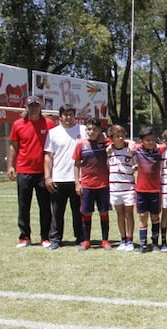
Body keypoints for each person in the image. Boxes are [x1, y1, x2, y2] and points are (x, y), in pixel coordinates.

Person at [8, 95, 55, 248]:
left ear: (41, 107)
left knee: (45, 206)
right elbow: (13, 147)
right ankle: (24, 237)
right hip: (24, 170)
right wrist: (11, 165)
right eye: (31, 105)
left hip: (43, 172)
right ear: (25, 107)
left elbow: (55, 145)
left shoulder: (48, 123)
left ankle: (45, 237)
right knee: (23, 206)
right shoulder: (18, 124)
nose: (34, 108)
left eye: (36, 105)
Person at [43, 103, 85, 250]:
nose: (68, 117)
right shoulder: (53, 132)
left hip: (78, 179)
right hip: (59, 178)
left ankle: (80, 237)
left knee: (78, 211)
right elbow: (48, 156)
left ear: (75, 115)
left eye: (71, 114)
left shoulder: (84, 130)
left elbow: (103, 139)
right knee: (57, 212)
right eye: (65, 114)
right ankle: (55, 239)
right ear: (60, 116)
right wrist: (47, 177)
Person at [73, 118, 112, 251]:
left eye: (95, 129)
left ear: (100, 130)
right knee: (86, 213)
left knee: (104, 212)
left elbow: (118, 142)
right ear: (86, 130)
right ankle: (86, 241)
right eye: (89, 129)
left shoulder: (105, 143)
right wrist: (77, 183)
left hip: (103, 185)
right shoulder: (81, 145)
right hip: (87, 185)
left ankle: (105, 240)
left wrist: (105, 138)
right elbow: (77, 164)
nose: (92, 132)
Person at [107, 125, 136, 252]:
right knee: (120, 214)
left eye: (122, 136)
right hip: (114, 188)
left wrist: (130, 142)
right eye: (117, 136)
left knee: (129, 214)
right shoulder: (108, 151)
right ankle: (123, 239)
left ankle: (130, 240)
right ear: (112, 138)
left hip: (128, 187)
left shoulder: (130, 150)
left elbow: (137, 163)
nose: (120, 138)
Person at [135, 126, 164, 252]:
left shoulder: (159, 150)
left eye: (152, 139)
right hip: (141, 190)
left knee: (155, 216)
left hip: (155, 191)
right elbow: (123, 142)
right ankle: (143, 244)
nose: (151, 142)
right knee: (142, 216)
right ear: (141, 141)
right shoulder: (137, 150)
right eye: (147, 140)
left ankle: (155, 243)